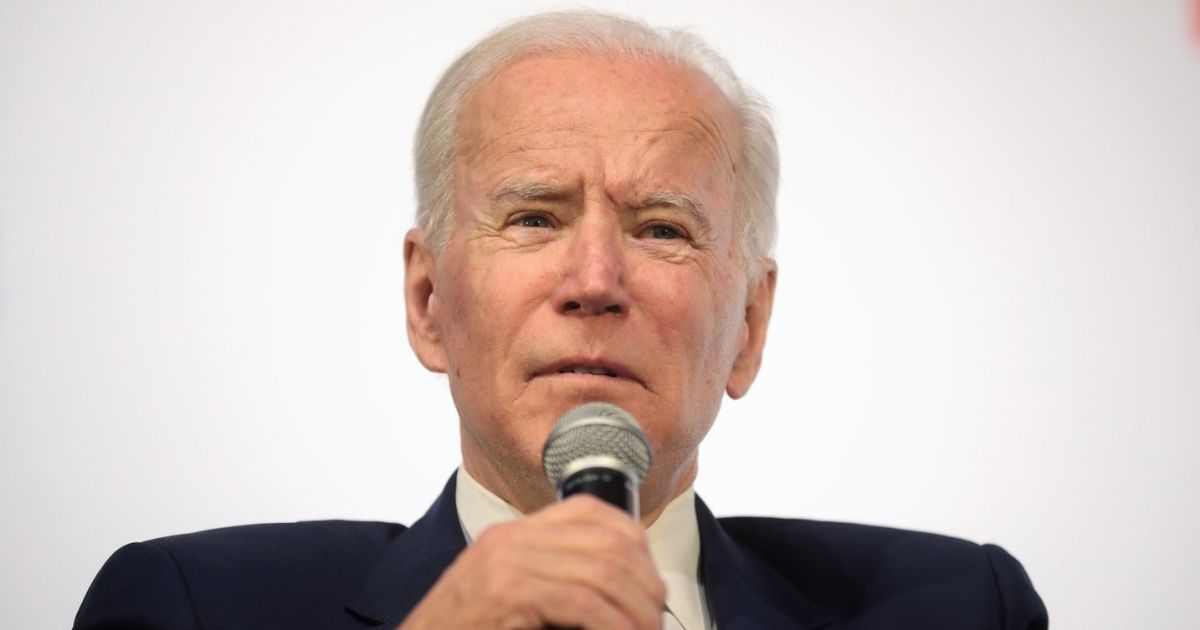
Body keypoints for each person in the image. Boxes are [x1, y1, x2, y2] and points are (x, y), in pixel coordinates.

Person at [74, 10, 1047, 630]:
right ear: (428, 303)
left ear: (748, 327)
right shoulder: (195, 607)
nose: (594, 280)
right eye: (534, 217)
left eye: (661, 227)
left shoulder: (958, 608)